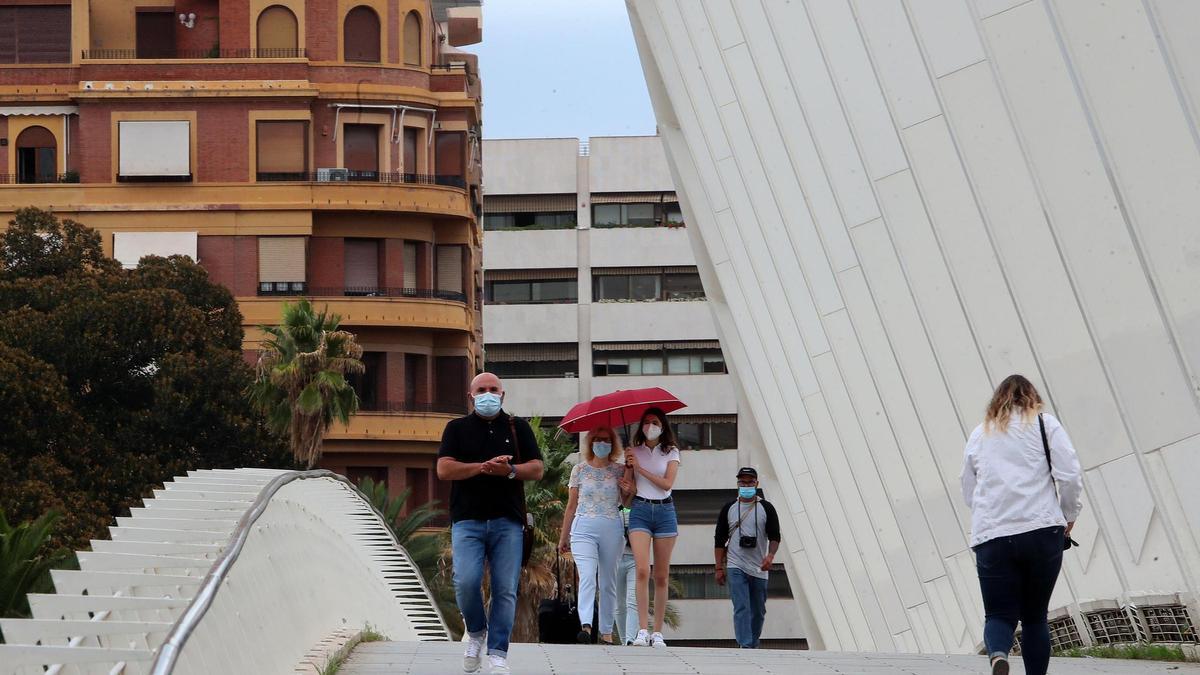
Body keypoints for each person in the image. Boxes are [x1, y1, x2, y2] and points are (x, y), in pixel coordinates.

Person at [961, 375, 1082, 675]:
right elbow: (1069, 475)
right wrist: (1069, 515)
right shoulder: (1045, 424)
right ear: (1032, 397)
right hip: (1042, 531)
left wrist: (990, 517)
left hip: (993, 537)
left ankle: (999, 655)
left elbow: (968, 486)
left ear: (997, 401)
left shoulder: (980, 434)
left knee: (999, 614)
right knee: (1034, 617)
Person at [437, 372, 544, 675]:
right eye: (481, 390)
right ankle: (475, 631)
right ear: (471, 397)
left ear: (503, 395)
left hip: (507, 521)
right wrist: (482, 468)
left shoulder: (517, 426)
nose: (487, 394)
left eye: (493, 390)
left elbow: (536, 468)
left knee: (505, 589)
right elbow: (444, 469)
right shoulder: (456, 429)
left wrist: (509, 471)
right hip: (467, 520)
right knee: (466, 582)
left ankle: (498, 653)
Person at [558, 427, 629, 645]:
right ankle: (586, 626)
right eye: (597, 439)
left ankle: (607, 632)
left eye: (606, 440)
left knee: (608, 581)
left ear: (613, 444)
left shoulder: (621, 470)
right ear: (590, 443)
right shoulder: (579, 470)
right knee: (588, 576)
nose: (601, 443)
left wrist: (629, 487)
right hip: (583, 528)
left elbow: (627, 504)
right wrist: (564, 537)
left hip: (612, 527)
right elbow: (570, 506)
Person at [624, 408, 681, 648]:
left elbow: (667, 483)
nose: (650, 426)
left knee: (661, 575)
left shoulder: (672, 452)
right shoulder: (633, 452)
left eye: (655, 422)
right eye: (646, 422)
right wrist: (628, 476)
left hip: (665, 511)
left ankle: (657, 632)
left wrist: (640, 469)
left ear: (663, 425)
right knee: (641, 570)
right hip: (640, 511)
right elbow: (626, 497)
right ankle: (641, 629)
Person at [714, 467, 781, 649]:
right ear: (737, 484)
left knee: (758, 611)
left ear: (756, 484)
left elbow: (775, 536)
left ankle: (753, 643)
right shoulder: (729, 508)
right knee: (742, 606)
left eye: (750, 482)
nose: (746, 485)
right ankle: (745, 645)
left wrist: (770, 555)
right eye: (742, 482)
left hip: (759, 567)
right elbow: (719, 540)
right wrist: (719, 567)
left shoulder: (766, 508)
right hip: (736, 565)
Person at [613, 506, 639, 645]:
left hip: (634, 558)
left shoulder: (639, 503)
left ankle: (630, 639)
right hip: (615, 558)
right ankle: (624, 641)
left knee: (632, 600)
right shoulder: (612, 503)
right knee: (618, 603)